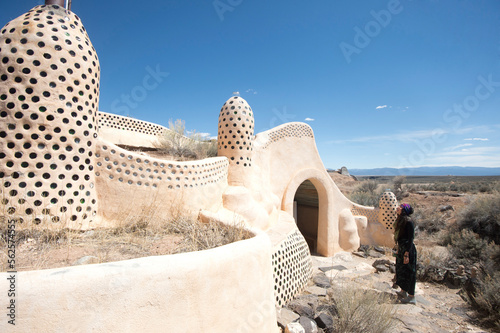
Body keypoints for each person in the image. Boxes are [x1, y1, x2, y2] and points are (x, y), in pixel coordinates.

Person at [393, 203, 417, 304]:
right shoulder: (400, 220)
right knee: (401, 269)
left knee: (409, 271)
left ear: (404, 210)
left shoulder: (409, 222)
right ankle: (403, 291)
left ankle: (411, 297)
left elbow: (410, 238)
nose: (397, 207)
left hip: (408, 249)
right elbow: (399, 237)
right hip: (402, 248)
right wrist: (399, 248)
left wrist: (407, 254)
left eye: (400, 207)